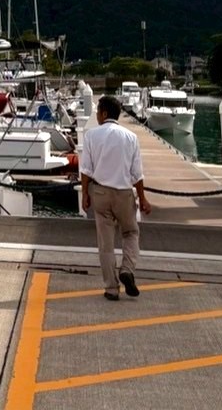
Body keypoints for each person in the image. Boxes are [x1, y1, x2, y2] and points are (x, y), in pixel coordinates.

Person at [80, 94, 152, 301]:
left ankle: (111, 288)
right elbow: (137, 173)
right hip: (123, 193)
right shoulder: (130, 137)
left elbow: (86, 169)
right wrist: (143, 198)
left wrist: (85, 194)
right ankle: (127, 269)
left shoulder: (92, 135)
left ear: (103, 113)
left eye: (98, 112)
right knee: (130, 232)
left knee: (106, 243)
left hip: (100, 192)